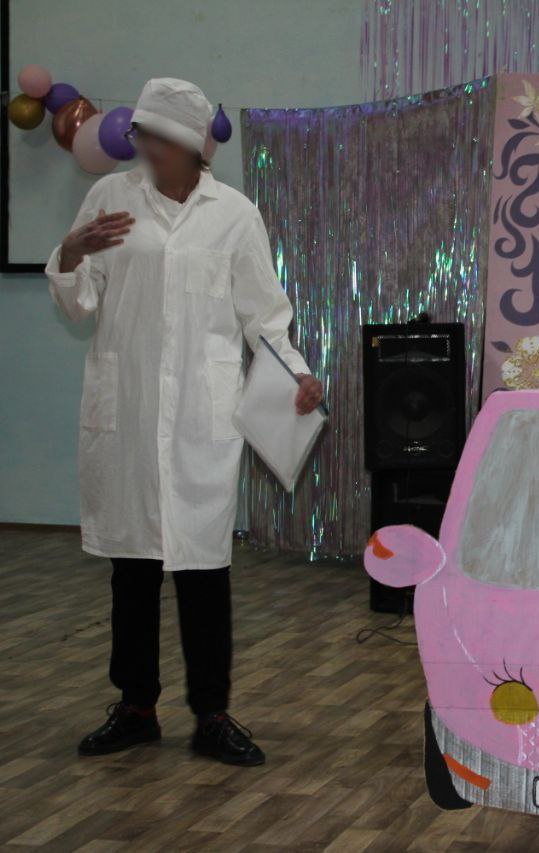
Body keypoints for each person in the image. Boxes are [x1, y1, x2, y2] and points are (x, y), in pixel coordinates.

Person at [46, 78, 324, 766]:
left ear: (193, 145)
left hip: (201, 416)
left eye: (158, 139)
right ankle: (136, 707)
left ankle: (212, 714)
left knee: (204, 571)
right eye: (140, 135)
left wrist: (297, 373)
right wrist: (73, 252)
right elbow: (79, 304)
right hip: (130, 410)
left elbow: (265, 316)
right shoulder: (110, 198)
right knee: (133, 571)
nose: (145, 149)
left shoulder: (234, 214)